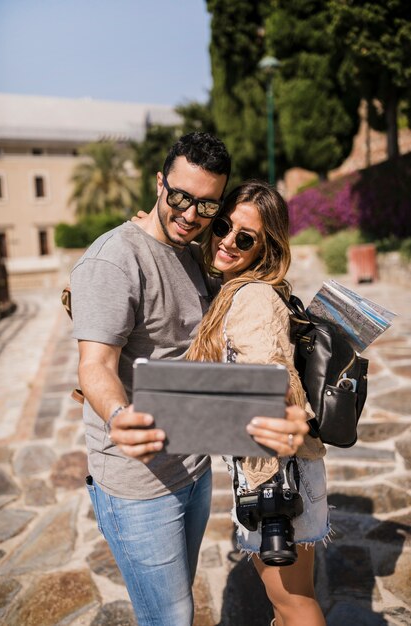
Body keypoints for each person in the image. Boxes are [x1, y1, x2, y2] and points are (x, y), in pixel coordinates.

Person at [70, 132, 308, 626]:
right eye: (178, 196)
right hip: (139, 483)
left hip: (195, 469)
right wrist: (117, 412)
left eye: (206, 205)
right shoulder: (114, 259)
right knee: (171, 618)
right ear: (159, 184)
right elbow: (94, 364)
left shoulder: (195, 250)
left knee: (181, 603)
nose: (189, 213)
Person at [187, 180, 329, 626]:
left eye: (244, 238)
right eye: (223, 226)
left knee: (294, 602)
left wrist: (265, 488)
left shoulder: (251, 297)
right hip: (275, 469)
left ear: (264, 248)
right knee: (285, 601)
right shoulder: (235, 288)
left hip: (276, 474)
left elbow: (271, 385)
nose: (227, 240)